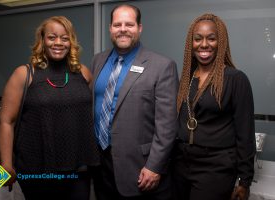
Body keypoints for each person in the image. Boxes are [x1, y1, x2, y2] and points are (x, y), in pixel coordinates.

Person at [0, 16, 99, 200]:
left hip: (78, 168)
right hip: (38, 168)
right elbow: (6, 121)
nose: (58, 43)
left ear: (71, 41)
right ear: (42, 41)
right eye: (52, 37)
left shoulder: (83, 72)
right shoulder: (24, 74)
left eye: (64, 38)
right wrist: (6, 164)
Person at [90, 4, 179, 200]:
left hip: (140, 167)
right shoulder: (98, 61)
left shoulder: (162, 66)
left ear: (139, 27)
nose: (123, 29)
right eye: (117, 24)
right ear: (110, 29)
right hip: (100, 164)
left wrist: (154, 166)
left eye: (129, 24)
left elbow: (167, 125)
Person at [172, 13, 256, 200]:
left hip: (216, 167)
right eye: (198, 39)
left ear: (221, 42)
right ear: (190, 43)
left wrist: (244, 181)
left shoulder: (236, 79)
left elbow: (245, 134)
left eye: (211, 38)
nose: (204, 45)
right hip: (180, 164)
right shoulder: (186, 78)